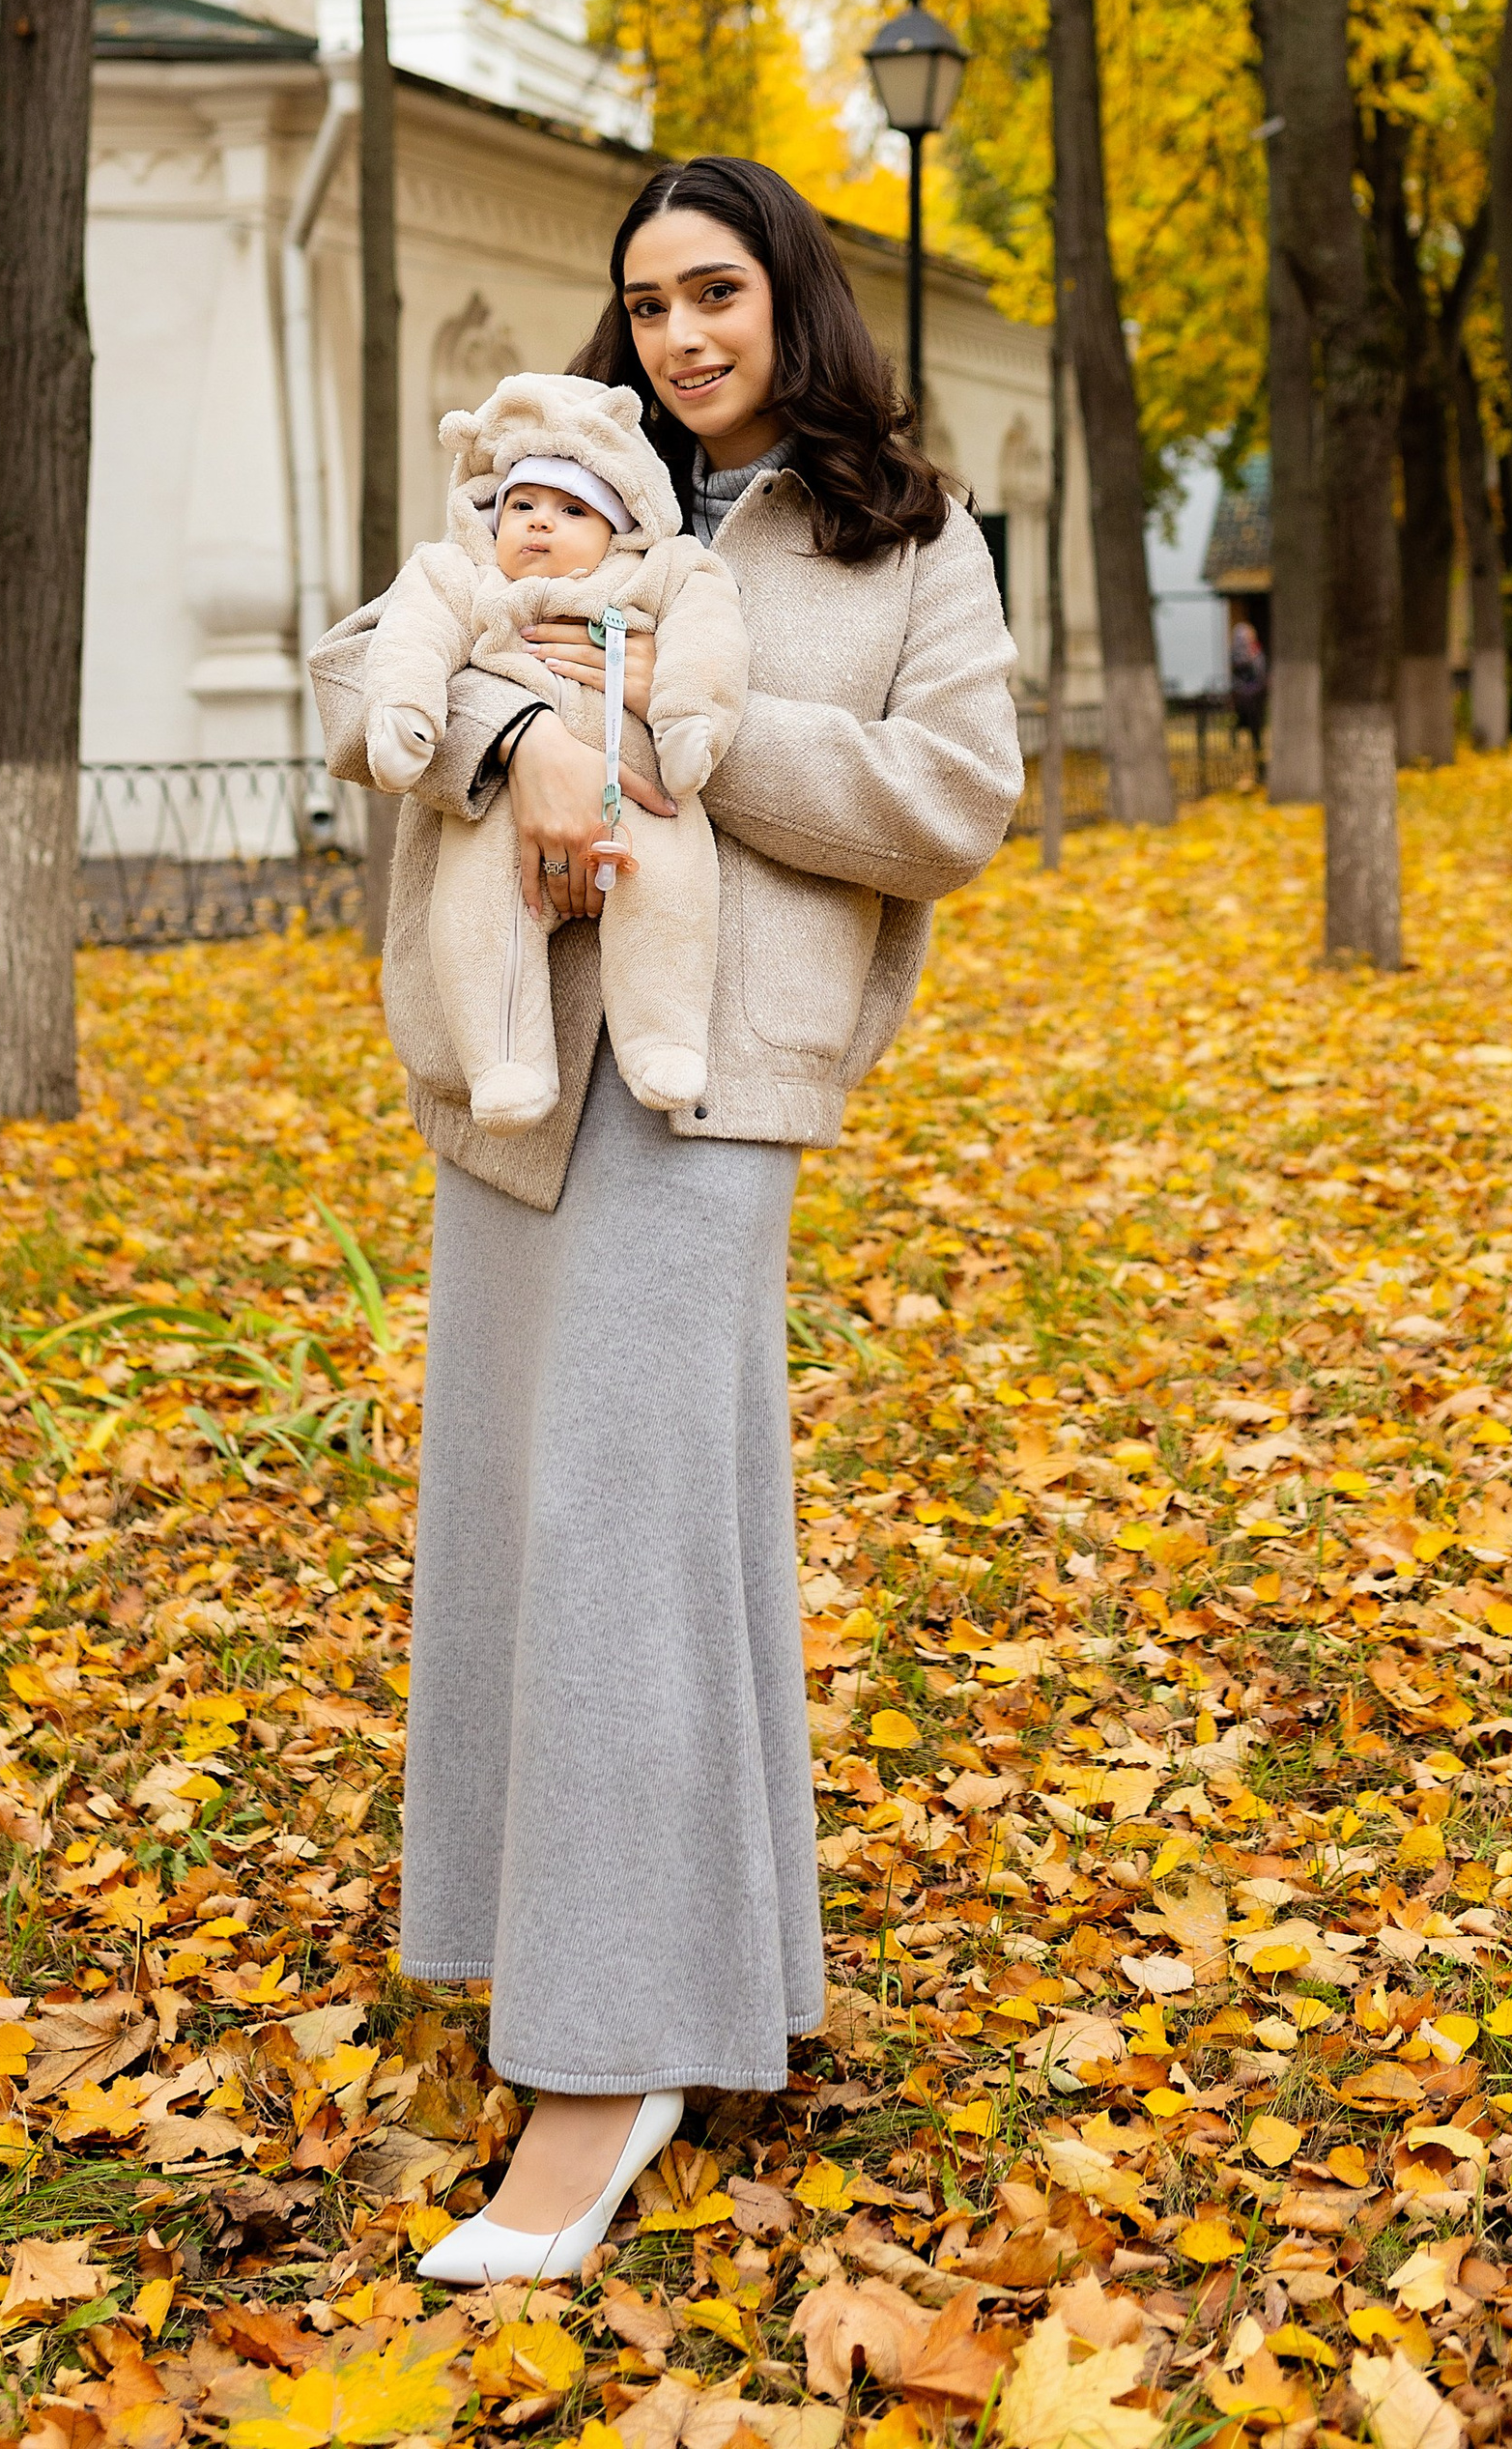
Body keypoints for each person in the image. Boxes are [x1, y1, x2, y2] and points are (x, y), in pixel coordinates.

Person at [309, 155, 1022, 2283]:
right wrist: (523, 729)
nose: (678, 337)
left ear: (789, 294)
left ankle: (603, 2070)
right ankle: (662, 1977)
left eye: (713, 291)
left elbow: (950, 799)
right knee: (533, 1514)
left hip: (714, 1090)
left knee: (628, 1525)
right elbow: (372, 666)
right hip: (511, 1073)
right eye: (643, 304)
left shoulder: (904, 534)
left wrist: (668, 738)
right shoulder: (559, 468)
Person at [358, 369, 751, 1128]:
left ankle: (663, 1039)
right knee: (475, 913)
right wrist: (408, 708)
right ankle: (505, 1061)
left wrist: (688, 714)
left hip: (643, 792)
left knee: (671, 891)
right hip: (501, 813)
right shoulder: (462, 575)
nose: (540, 523)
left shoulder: (658, 573)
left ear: (619, 523)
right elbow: (409, 634)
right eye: (523, 505)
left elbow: (709, 634)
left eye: (573, 509)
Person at [1228, 613, 1269, 782]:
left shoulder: (1256, 651)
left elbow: (1260, 671)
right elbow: (1240, 667)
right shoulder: (1238, 654)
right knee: (1246, 726)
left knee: (1256, 731)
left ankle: (1260, 767)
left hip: (1256, 696)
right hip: (1245, 696)